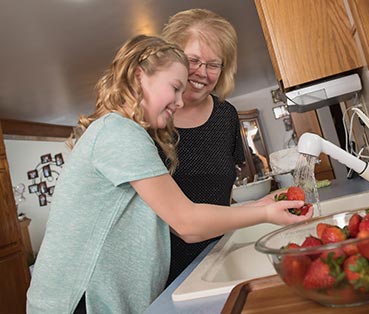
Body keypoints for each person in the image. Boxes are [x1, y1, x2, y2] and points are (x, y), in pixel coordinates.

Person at [26, 35, 312, 314]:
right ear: (139, 76)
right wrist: (264, 214)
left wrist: (260, 205)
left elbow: (175, 222)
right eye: (175, 87)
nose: (179, 101)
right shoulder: (118, 132)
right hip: (77, 302)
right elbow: (187, 224)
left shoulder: (124, 132)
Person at [159, 8, 247, 286]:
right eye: (192, 60)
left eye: (213, 64)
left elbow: (225, 190)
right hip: (166, 272)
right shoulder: (150, 120)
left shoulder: (227, 115)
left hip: (219, 257)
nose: (201, 73)